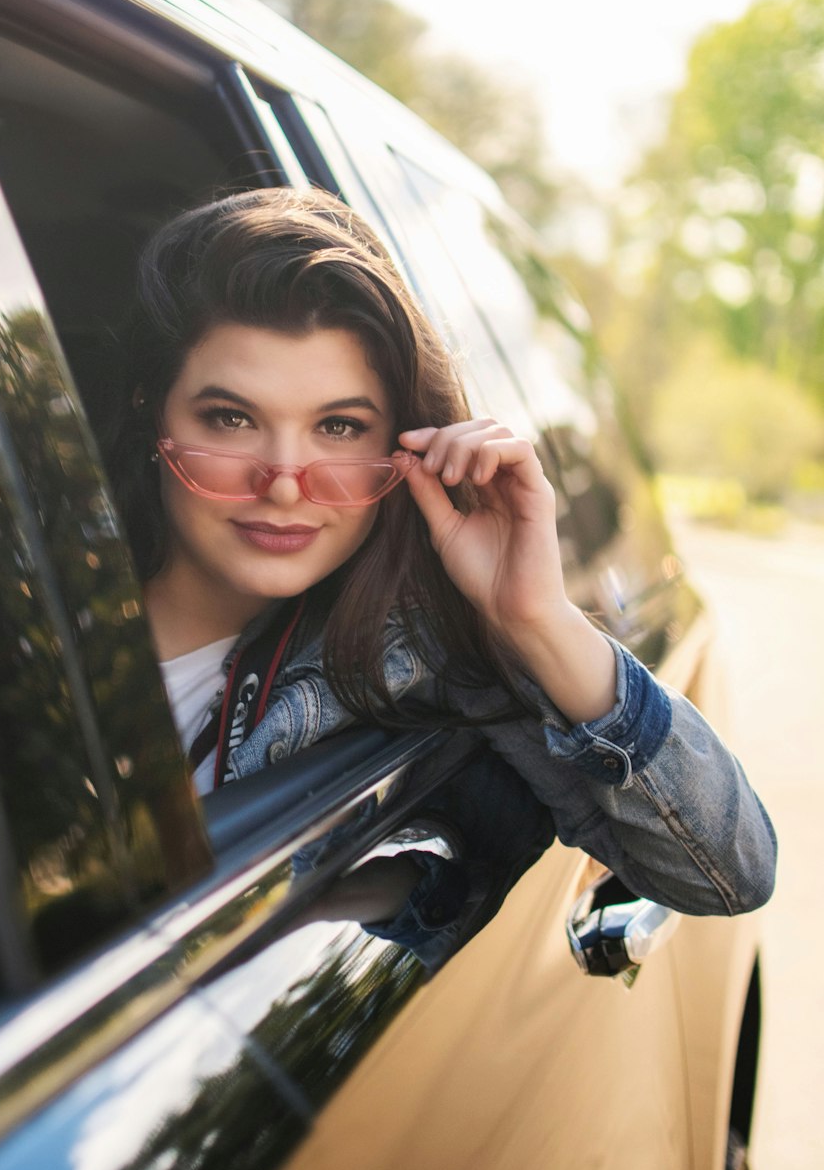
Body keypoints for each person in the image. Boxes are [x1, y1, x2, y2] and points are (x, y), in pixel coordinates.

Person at [107, 186, 776, 964]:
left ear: (402, 447)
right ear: (152, 415)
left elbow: (730, 873)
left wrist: (536, 618)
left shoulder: (408, 661)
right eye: (231, 419)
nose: (285, 481)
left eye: (339, 428)